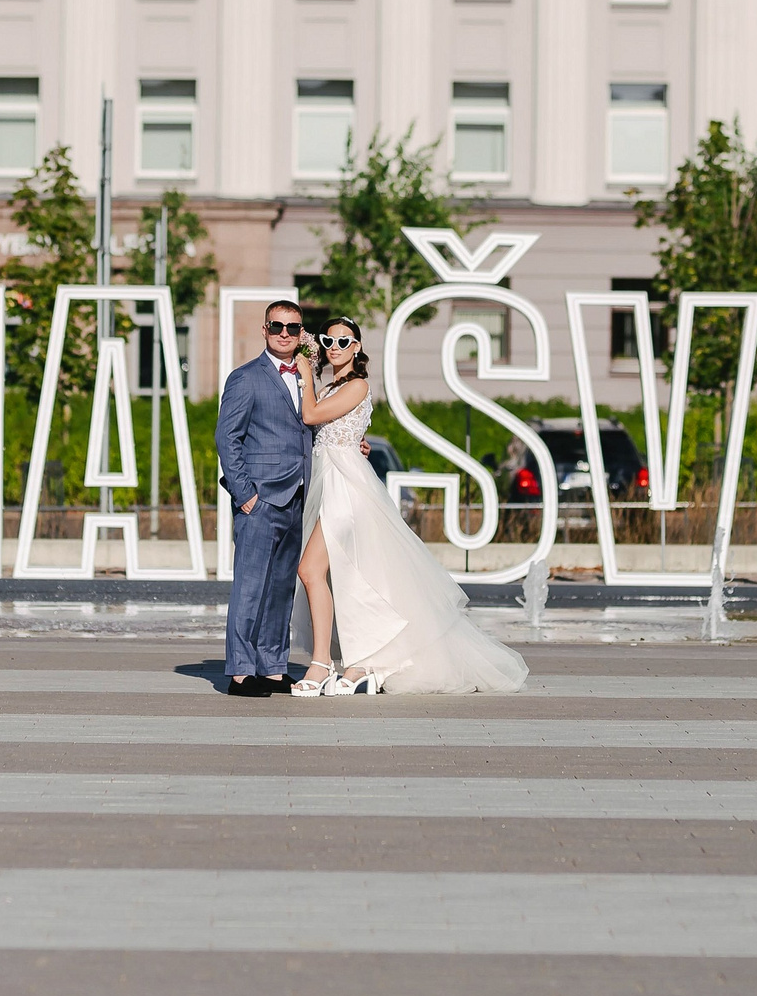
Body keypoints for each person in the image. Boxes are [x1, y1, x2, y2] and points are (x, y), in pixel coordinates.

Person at [288, 316, 528, 697]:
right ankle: (357, 662)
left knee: (311, 569)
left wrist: (303, 372)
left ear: (358, 347)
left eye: (344, 341)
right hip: (332, 480)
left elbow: (311, 415)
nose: (334, 347)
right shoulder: (332, 384)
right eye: (327, 341)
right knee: (351, 577)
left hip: (348, 489)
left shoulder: (357, 384)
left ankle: (324, 663)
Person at [212, 299, 315, 698]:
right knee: (250, 588)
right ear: (265, 330)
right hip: (260, 500)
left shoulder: (306, 375)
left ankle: (272, 667)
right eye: (277, 327)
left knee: (281, 589)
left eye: (292, 328)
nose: (285, 334)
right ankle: (240, 672)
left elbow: (309, 425)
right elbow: (227, 438)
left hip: (298, 496)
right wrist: (245, 496)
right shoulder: (245, 377)